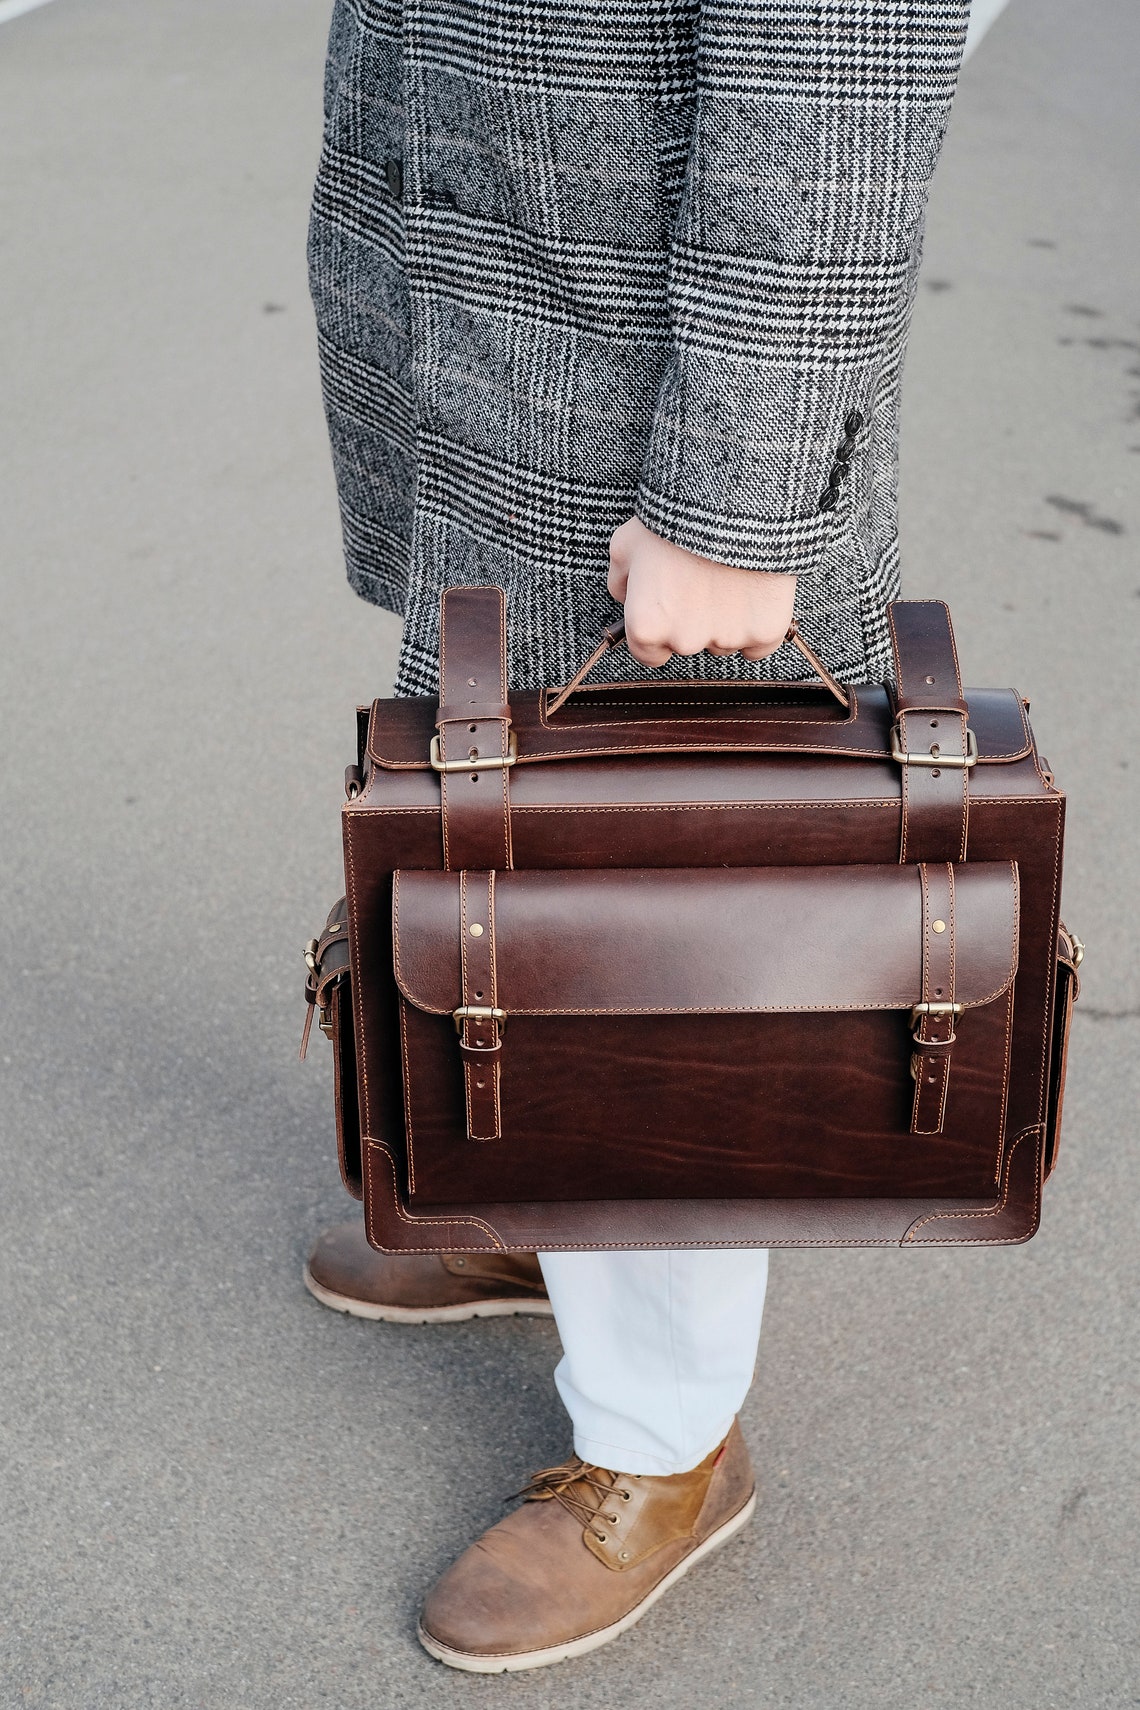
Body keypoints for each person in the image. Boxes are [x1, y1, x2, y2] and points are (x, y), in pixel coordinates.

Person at [306, 0, 972, 1673]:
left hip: (641, 382)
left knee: (652, 914)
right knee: (515, 848)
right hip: (505, 300)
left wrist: (732, 502)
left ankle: (666, 1444)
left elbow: (838, 50)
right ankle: (546, 1181)